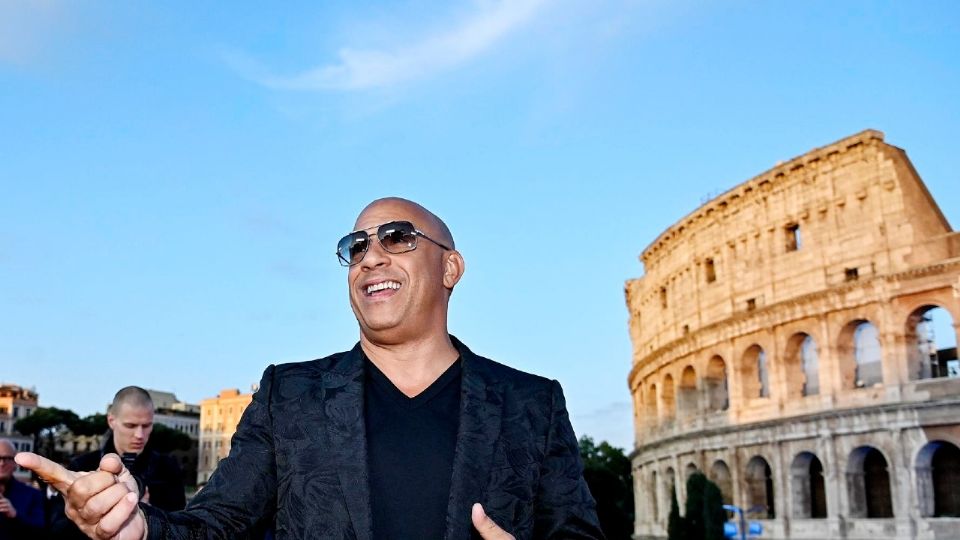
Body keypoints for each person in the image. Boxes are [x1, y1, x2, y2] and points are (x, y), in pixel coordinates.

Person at [18, 197, 604, 539]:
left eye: (398, 238)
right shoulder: (289, 394)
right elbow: (217, 524)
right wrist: (139, 529)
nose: (370, 254)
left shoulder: (533, 403)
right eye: (356, 245)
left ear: (450, 268)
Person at [48, 387, 186, 538]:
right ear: (111, 421)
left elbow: (181, 528)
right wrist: (92, 516)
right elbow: (56, 528)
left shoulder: (168, 468)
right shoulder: (82, 467)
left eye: (146, 425)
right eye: (130, 425)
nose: (139, 435)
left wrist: (149, 516)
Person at [0, 439, 45, 539]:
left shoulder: (33, 495)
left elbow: (40, 531)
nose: (2, 463)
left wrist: (15, 515)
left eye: (7, 458)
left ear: (15, 463)